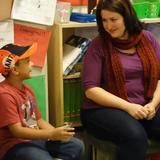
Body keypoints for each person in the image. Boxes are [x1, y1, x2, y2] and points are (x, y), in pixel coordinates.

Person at [80, 0, 160, 160]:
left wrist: (153, 104)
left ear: (127, 17)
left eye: (113, 19)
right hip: (102, 109)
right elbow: (91, 90)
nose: (108, 26)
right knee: (135, 137)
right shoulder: (98, 45)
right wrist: (128, 107)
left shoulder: (148, 39)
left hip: (145, 106)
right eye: (104, 20)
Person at [0, 43, 84, 160]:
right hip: (15, 145)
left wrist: (56, 134)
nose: (32, 64)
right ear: (14, 70)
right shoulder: (4, 94)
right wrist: (51, 134)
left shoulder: (27, 90)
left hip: (35, 140)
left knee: (76, 146)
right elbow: (17, 131)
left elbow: (38, 120)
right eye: (28, 61)